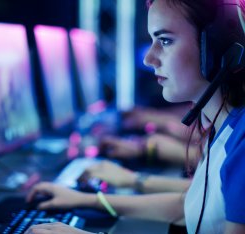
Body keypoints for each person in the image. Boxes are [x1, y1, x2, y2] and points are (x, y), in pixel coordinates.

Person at [25, 0, 245, 233]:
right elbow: (189, 205)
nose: (148, 59)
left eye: (166, 40)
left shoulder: (241, 141)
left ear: (217, 47)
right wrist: (89, 200)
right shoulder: (224, 126)